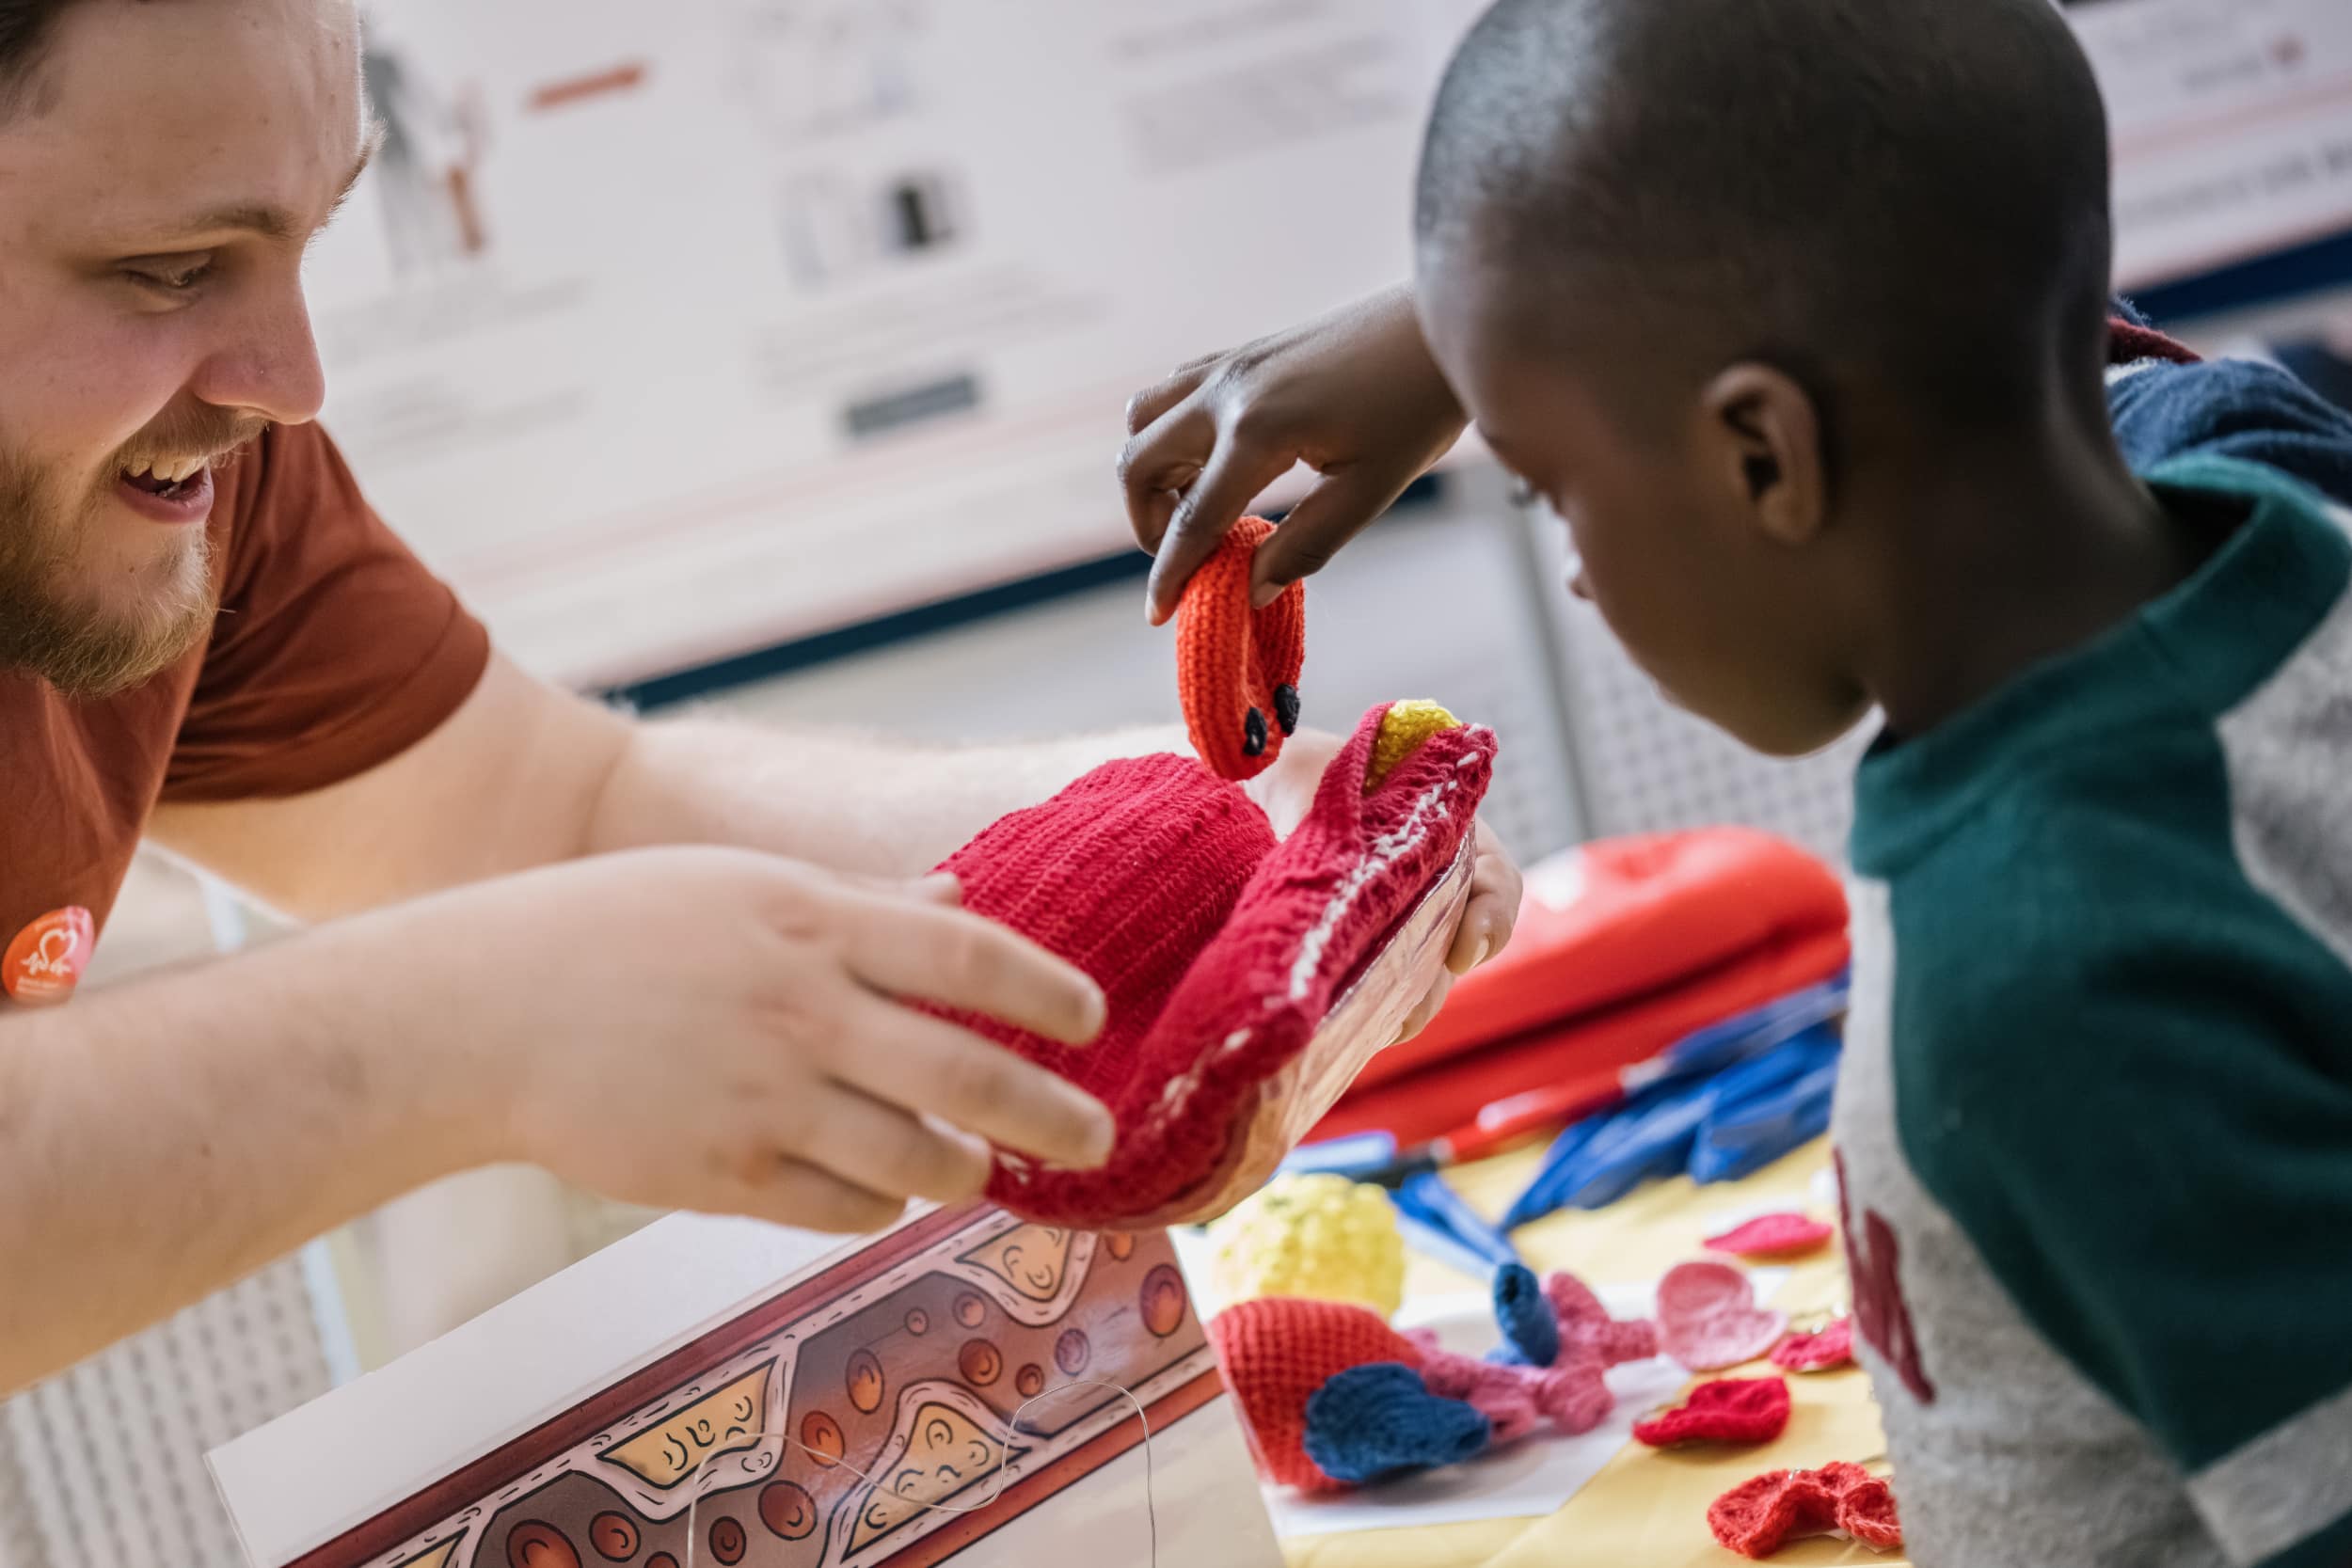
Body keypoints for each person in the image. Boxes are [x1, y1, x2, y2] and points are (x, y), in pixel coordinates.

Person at [0, 0, 1523, 1397]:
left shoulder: (188, 475)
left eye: (314, 241)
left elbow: (558, 811)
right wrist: (480, 1027)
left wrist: (1196, 821)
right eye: (166, 272)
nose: (291, 379)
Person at [1122, 0, 2352, 1563]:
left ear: (1766, 460)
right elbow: (1993, 289)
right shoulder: (2259, 484)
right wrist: (1519, 323)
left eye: (1558, 488)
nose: (1572, 570)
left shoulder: (2055, 990)